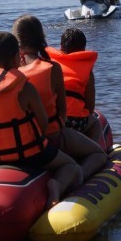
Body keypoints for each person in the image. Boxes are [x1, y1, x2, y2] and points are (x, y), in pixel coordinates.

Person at [0, 31, 82, 207]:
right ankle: (56, 186)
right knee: (71, 166)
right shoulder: (25, 88)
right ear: (17, 58)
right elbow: (43, 123)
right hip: (29, 156)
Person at [12, 15, 107, 180]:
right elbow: (86, 108)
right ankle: (83, 166)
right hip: (53, 135)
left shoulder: (11, 71)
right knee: (96, 124)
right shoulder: (51, 67)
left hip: (20, 139)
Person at [46, 28, 102, 144]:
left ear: (61, 47)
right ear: (83, 49)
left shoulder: (50, 66)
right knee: (96, 123)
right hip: (75, 122)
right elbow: (90, 107)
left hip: (54, 120)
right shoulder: (87, 71)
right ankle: (92, 149)